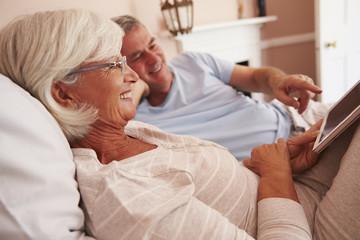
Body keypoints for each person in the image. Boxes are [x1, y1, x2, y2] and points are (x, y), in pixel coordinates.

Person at [1, 8, 359, 240]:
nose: (131, 76)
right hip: (309, 223)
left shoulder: (130, 133)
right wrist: (276, 174)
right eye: (115, 65)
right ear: (63, 95)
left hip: (295, 177)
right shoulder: (128, 198)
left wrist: (271, 165)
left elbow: (218, 191)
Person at [113, 15, 329, 161]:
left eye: (152, 45)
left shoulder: (192, 61)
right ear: (121, 67)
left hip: (295, 117)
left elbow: (255, 78)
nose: (154, 58)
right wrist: (137, 84)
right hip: (282, 160)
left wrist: (278, 81)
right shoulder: (133, 121)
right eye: (138, 56)